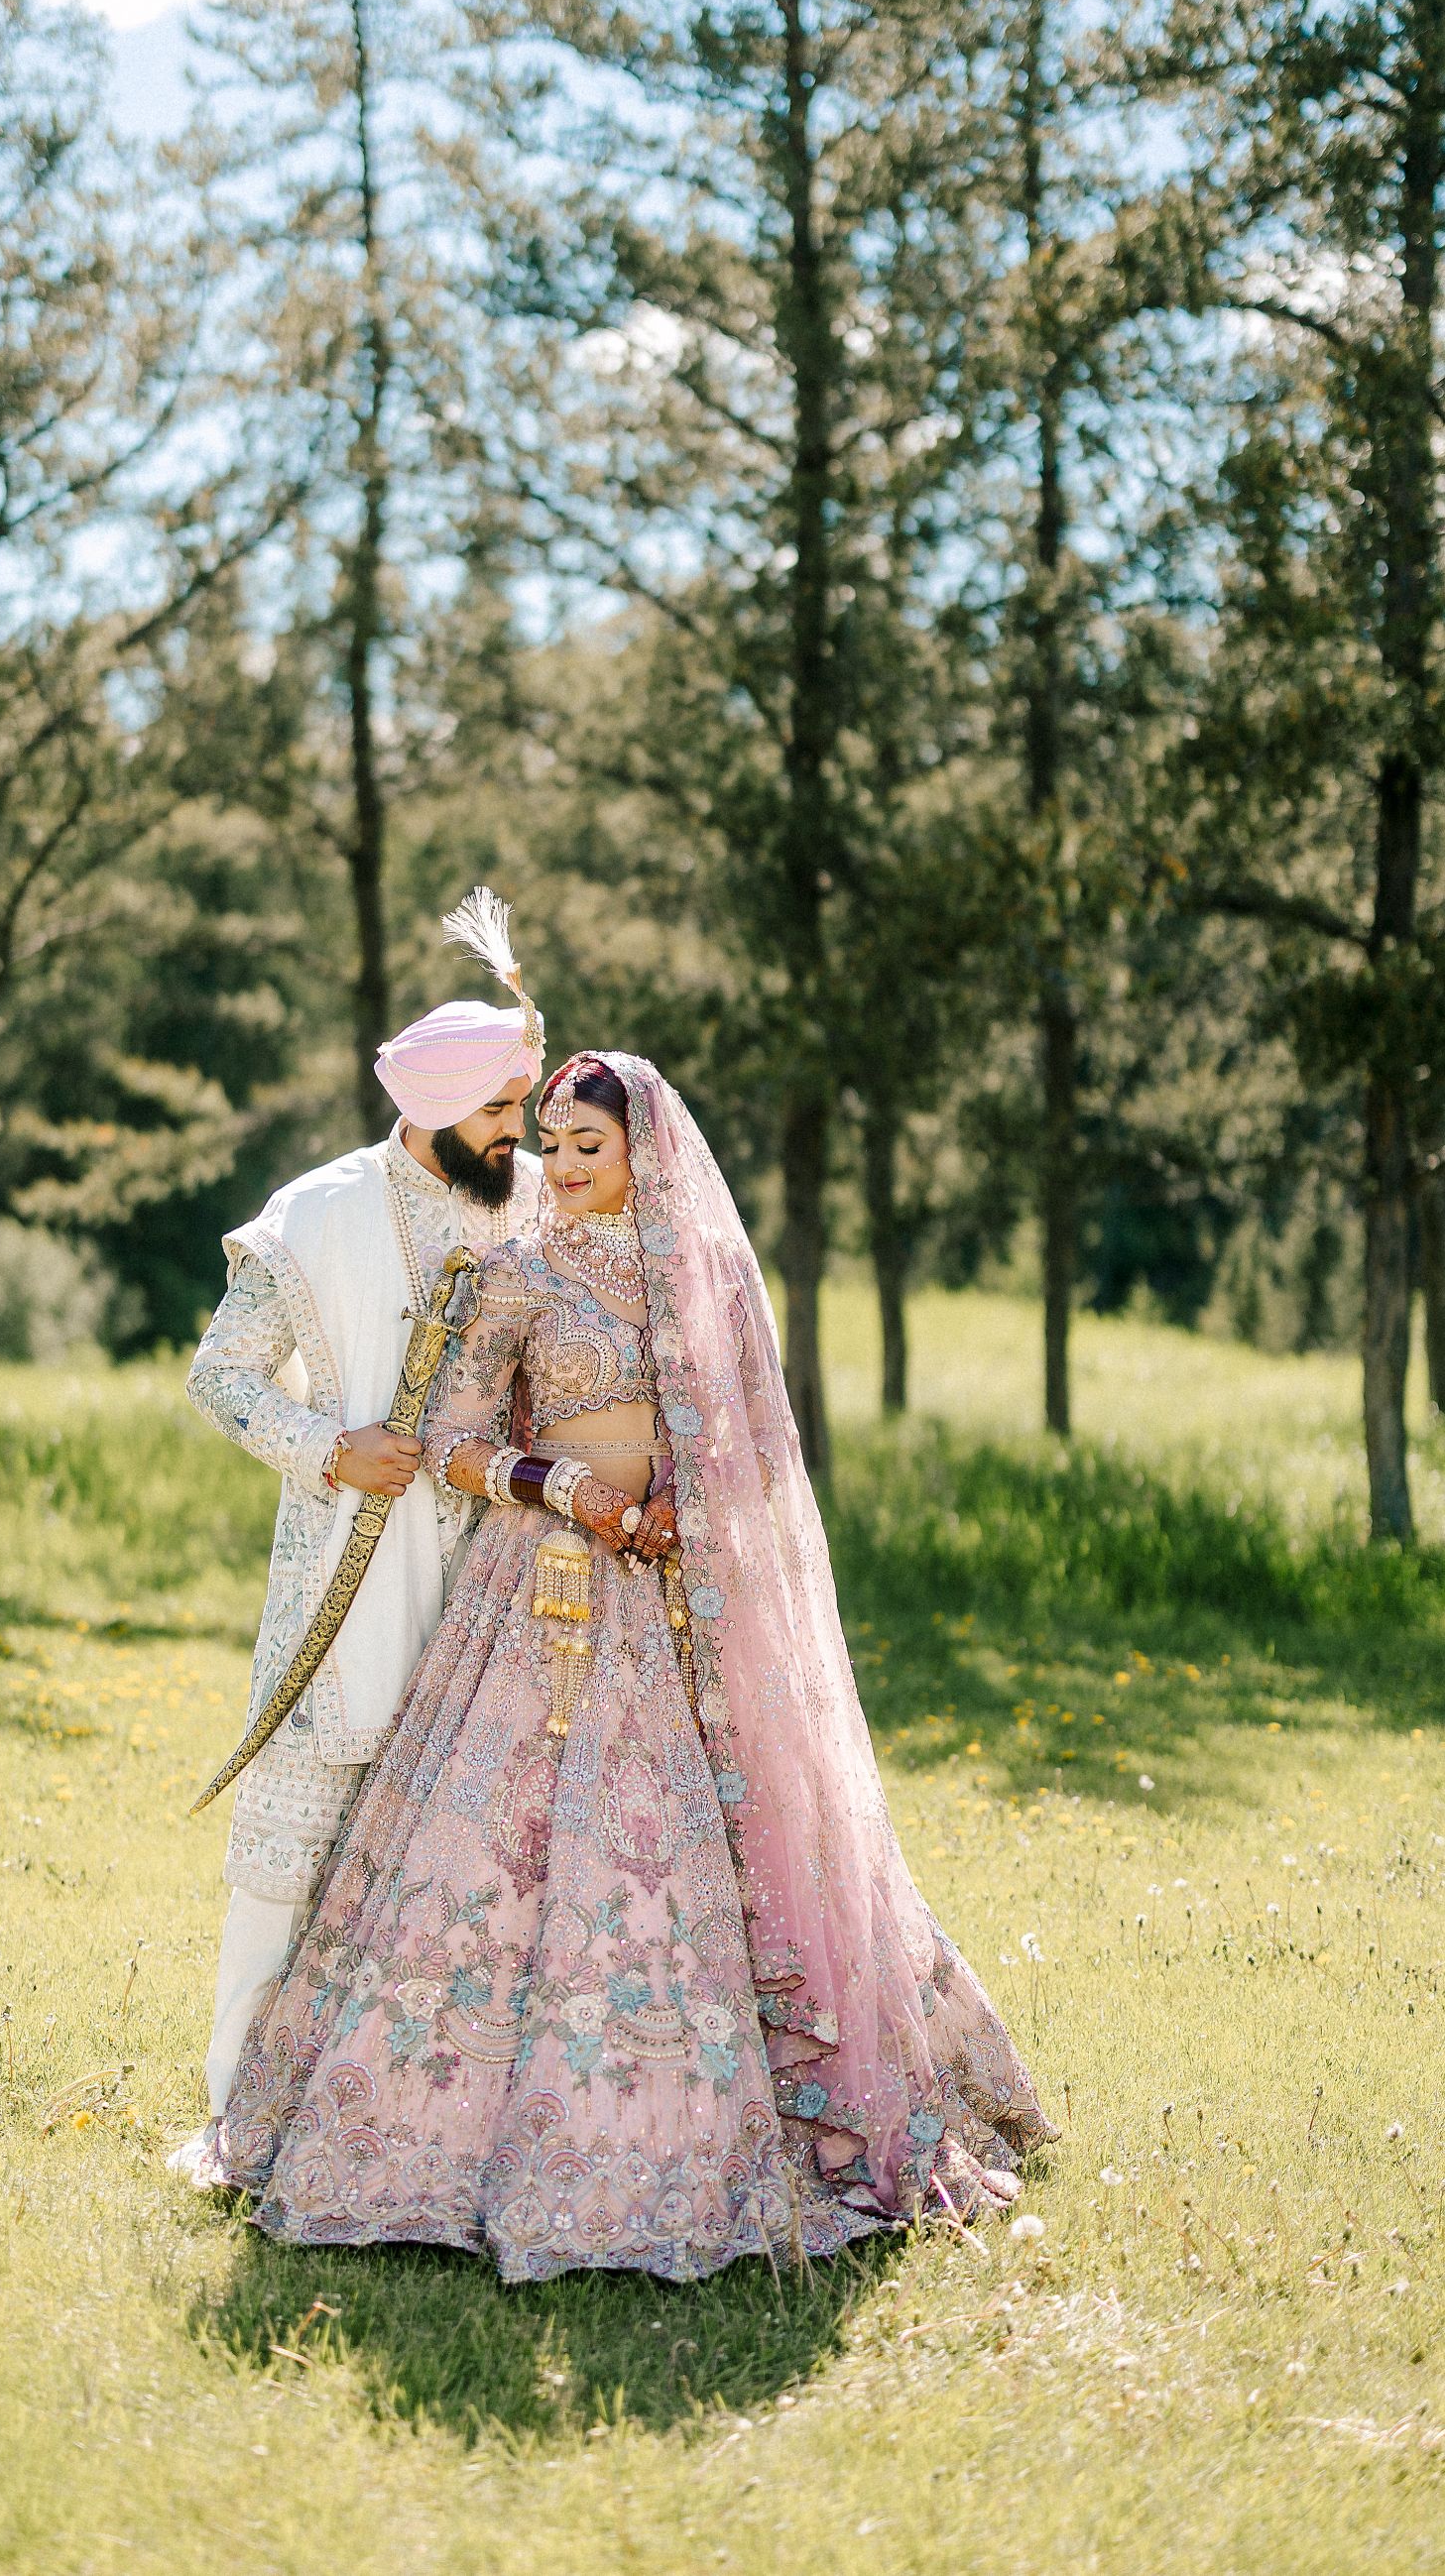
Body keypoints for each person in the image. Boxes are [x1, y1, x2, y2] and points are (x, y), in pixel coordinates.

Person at [204, 1051, 1058, 2279]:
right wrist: (565, 1489)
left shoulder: (699, 1273)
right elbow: (450, 1438)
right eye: (549, 1144)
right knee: (499, 1847)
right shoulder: (513, 1268)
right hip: (537, 1584)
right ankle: (442, 2139)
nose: (558, 1166)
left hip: (673, 1593)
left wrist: (683, 1520)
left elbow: (756, 1447)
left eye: (585, 1147)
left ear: (643, 1149)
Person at [167, 893, 546, 2175]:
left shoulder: (543, 1203)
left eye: (527, 1107)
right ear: (435, 1100)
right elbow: (220, 1377)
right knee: (289, 1867)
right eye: (501, 1109)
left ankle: (427, 2128)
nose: (521, 1133)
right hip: (342, 1571)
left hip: (500, 1582)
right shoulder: (315, 1212)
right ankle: (242, 2117)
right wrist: (332, 1444)